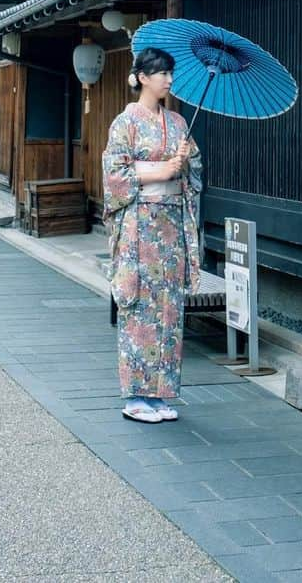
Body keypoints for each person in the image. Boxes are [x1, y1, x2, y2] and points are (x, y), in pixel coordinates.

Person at [102, 46, 204, 423]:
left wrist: (187, 159)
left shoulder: (178, 123)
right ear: (143, 77)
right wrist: (161, 172)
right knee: (139, 304)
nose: (169, 80)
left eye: (170, 73)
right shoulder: (124, 123)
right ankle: (135, 396)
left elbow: (194, 176)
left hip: (170, 226)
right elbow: (114, 175)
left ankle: (161, 394)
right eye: (162, 73)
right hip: (138, 225)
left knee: (169, 307)